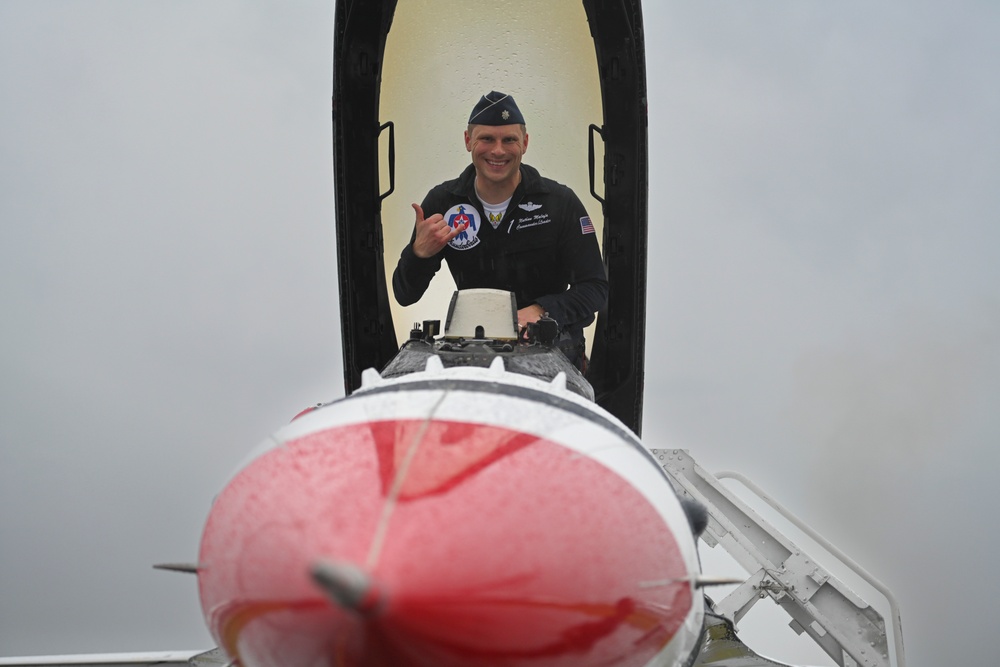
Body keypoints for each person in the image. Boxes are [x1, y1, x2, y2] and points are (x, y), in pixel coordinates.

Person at [392, 91, 608, 369]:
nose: (497, 151)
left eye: (509, 140)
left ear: (525, 143)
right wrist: (418, 254)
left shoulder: (560, 203)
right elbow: (404, 295)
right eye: (486, 139)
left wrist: (541, 312)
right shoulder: (443, 203)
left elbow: (595, 289)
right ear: (468, 140)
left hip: (551, 359)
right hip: (471, 360)